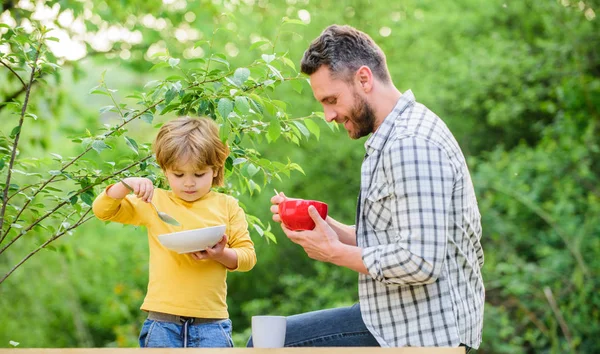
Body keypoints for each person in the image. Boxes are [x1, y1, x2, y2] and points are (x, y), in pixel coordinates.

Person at [258, 25, 484, 351]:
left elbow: (420, 260)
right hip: (393, 322)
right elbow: (391, 242)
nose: (328, 115)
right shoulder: (393, 137)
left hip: (422, 335)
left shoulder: (411, 143)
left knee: (271, 342)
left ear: (364, 79)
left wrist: (334, 253)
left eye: (331, 100)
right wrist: (323, 226)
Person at [93, 117, 257, 348]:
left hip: (212, 323)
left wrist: (220, 255)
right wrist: (126, 184)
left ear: (215, 168)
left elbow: (248, 257)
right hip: (162, 321)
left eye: (199, 174)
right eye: (178, 175)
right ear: (165, 170)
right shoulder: (154, 201)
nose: (188, 183)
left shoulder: (227, 205)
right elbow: (103, 211)